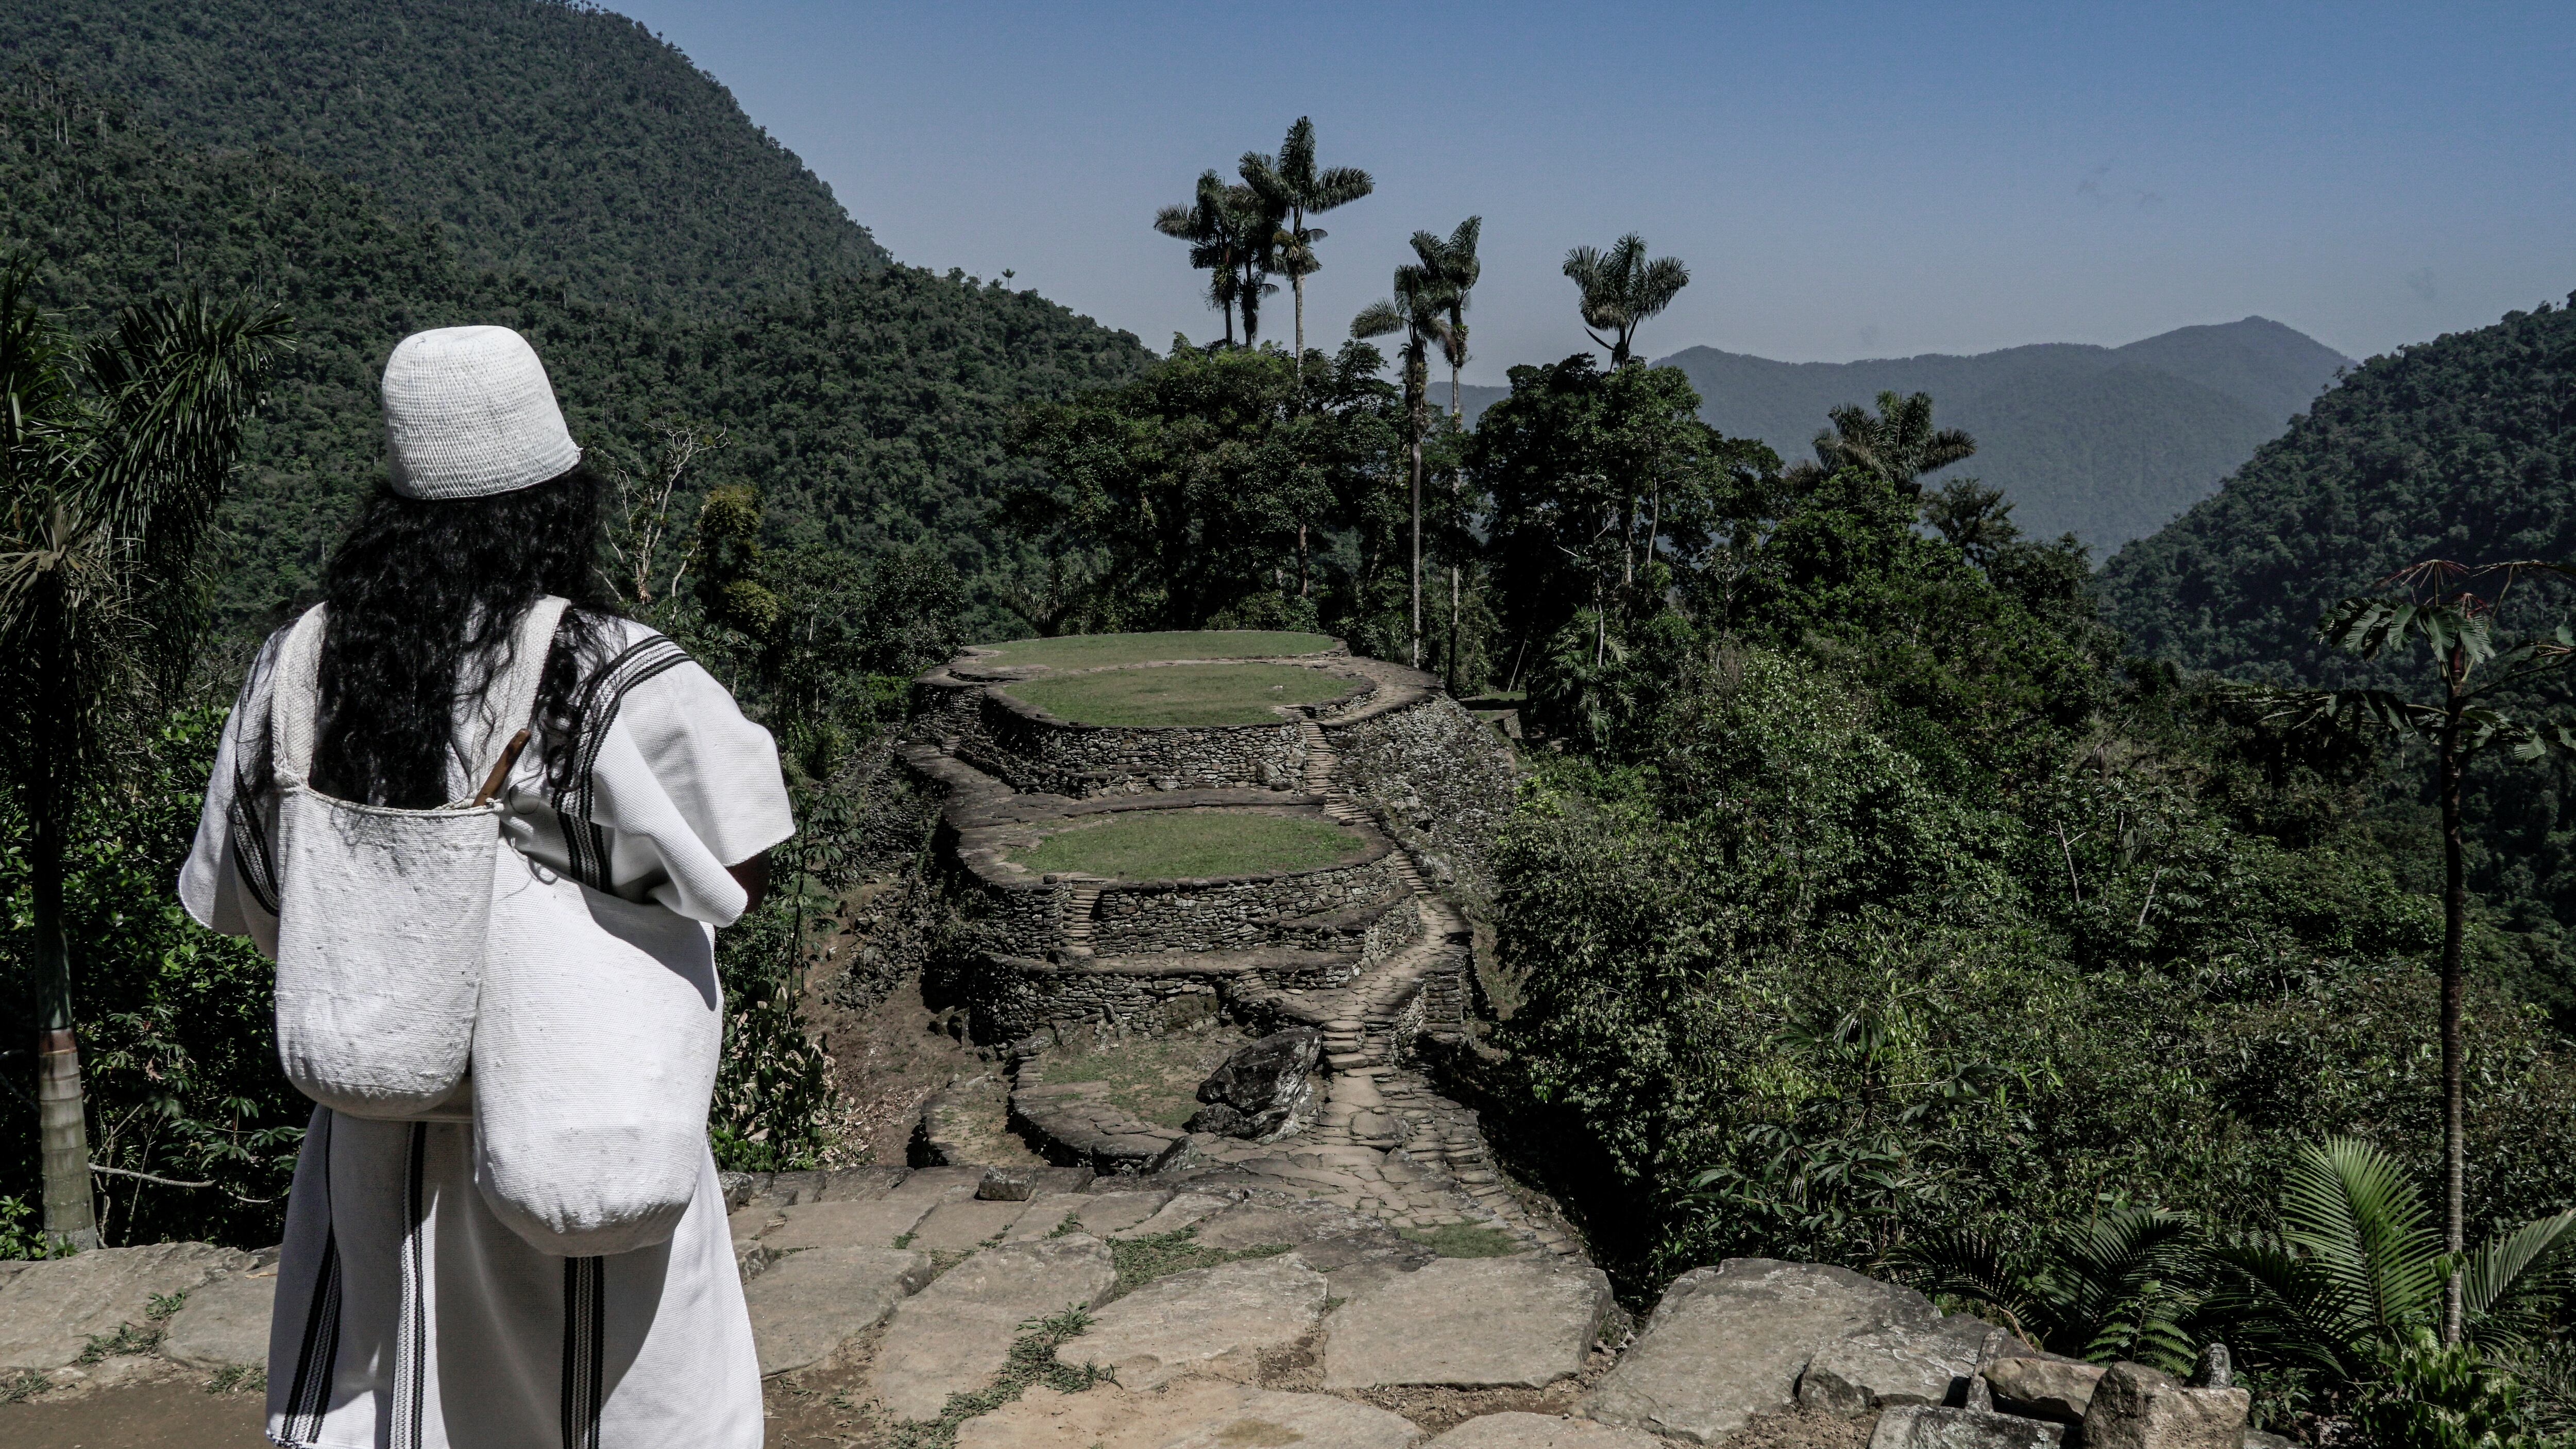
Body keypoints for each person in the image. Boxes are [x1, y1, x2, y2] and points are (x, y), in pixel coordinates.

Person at [180, 326, 790, 1448]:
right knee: (613, 1399)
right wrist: (553, 855)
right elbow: (732, 878)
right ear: (559, 498)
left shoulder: (301, 669)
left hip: (380, 1137)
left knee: (398, 1396)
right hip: (583, 1112)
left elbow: (247, 897)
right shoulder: (612, 675)